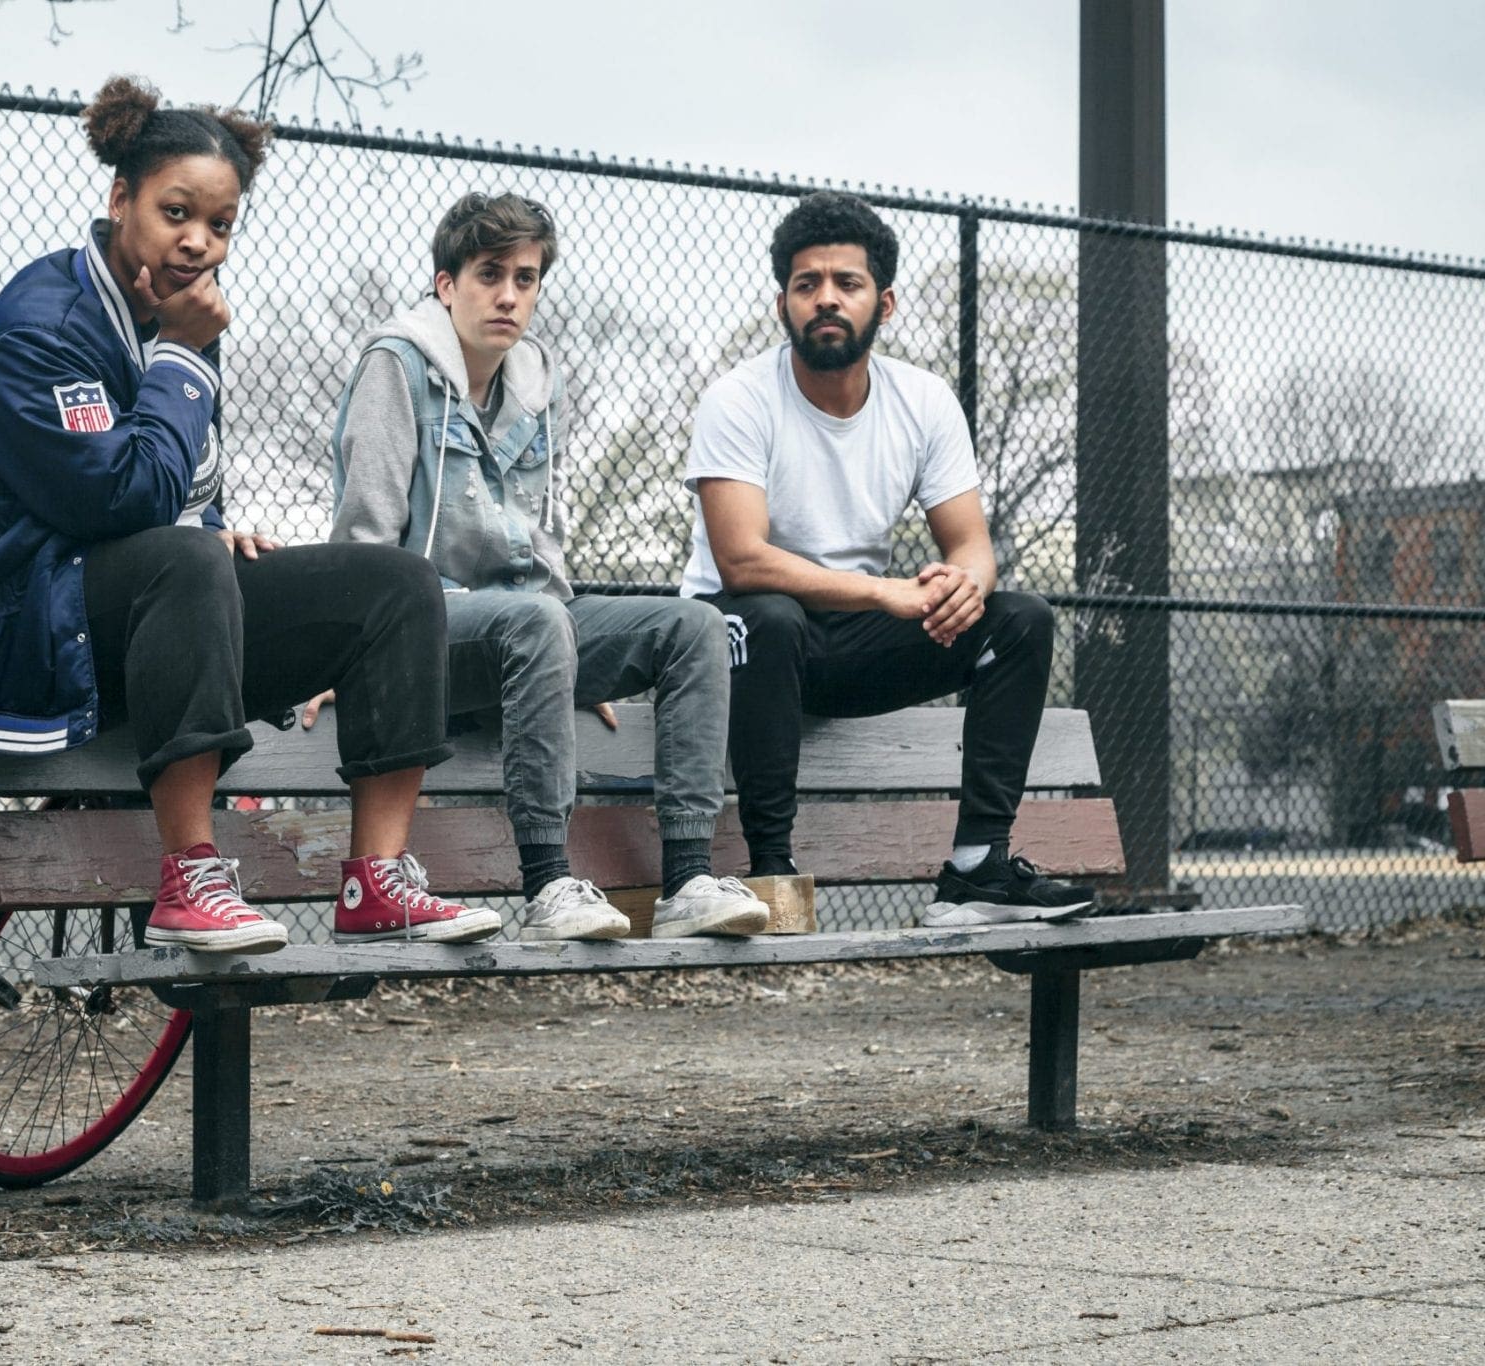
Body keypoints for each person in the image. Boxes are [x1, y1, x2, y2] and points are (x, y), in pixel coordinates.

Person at [0, 76, 499, 953]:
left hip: (135, 613)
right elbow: (115, 499)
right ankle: (191, 879)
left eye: (220, 225)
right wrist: (182, 362)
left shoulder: (173, 322)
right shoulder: (46, 325)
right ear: (120, 198)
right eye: (177, 213)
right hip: (9, 623)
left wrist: (213, 526)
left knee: (395, 585)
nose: (199, 243)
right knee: (185, 559)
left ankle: (378, 881)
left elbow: (173, 487)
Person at [321, 192, 768, 941]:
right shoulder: (394, 368)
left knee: (691, 626)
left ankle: (689, 876)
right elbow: (362, 540)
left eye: (526, 279)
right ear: (445, 284)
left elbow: (542, 550)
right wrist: (339, 657)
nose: (509, 295)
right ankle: (549, 884)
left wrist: (565, 659)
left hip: (530, 627)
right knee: (536, 623)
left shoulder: (534, 380)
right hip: (422, 632)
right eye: (490, 274)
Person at [682, 191, 1094, 928]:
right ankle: (771, 874)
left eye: (848, 283)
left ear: (886, 302)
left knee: (1020, 619)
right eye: (807, 285)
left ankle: (977, 870)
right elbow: (740, 560)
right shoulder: (739, 399)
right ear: (784, 304)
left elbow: (970, 543)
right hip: (738, 648)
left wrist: (964, 589)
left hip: (846, 644)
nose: (827, 299)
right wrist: (885, 595)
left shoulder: (924, 402)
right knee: (770, 617)